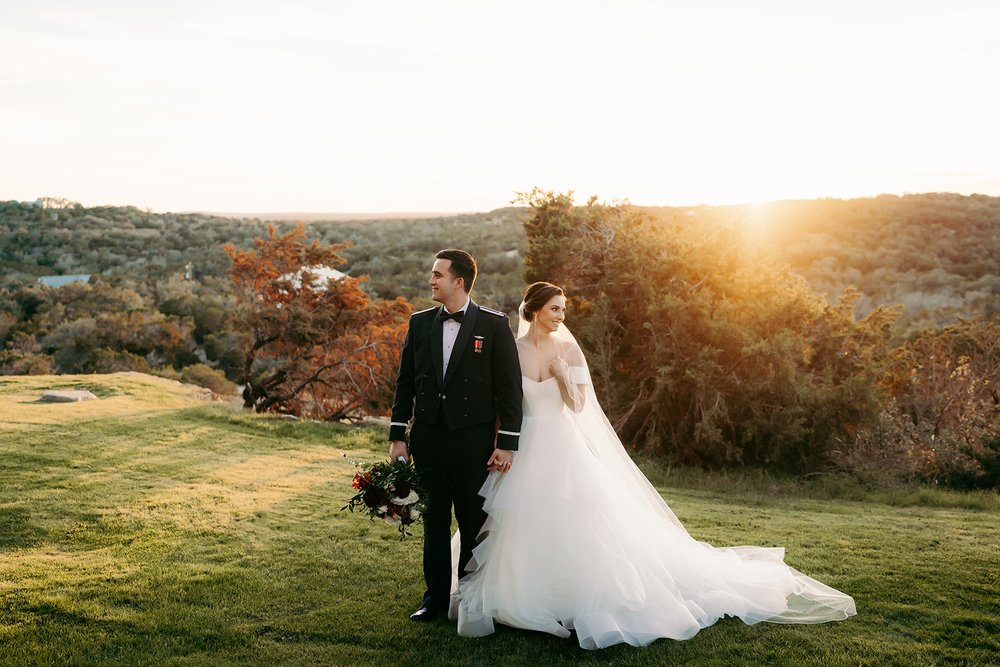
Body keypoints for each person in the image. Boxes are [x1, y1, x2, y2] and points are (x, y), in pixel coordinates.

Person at [449, 282, 857, 649]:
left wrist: (561, 377)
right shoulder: (512, 350)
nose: (561, 316)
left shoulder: (569, 350)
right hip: (525, 447)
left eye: (563, 309)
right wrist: (500, 444)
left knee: (573, 518)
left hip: (561, 446)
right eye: (555, 309)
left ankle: (570, 594)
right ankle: (519, 594)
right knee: (518, 520)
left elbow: (578, 406)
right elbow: (505, 403)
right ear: (533, 310)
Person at [389, 249, 523, 622]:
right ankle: (434, 599)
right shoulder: (419, 324)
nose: (431, 281)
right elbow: (405, 385)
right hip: (429, 440)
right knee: (433, 521)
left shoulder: (495, 325)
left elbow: (510, 391)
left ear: (458, 281)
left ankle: (469, 598)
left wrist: (507, 444)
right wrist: (398, 436)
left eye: (437, 275)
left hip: (474, 443)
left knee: (471, 521)